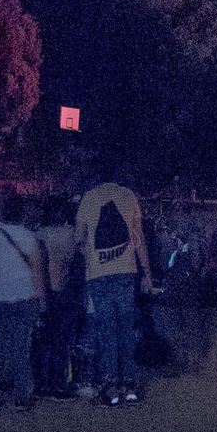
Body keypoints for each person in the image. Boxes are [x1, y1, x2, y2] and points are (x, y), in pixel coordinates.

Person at [76, 173, 151, 405]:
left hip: (98, 275)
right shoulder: (128, 196)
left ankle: (110, 386)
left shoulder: (89, 198)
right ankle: (129, 384)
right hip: (126, 271)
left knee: (106, 328)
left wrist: (87, 251)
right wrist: (146, 272)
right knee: (126, 329)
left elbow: (79, 237)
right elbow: (138, 237)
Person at [0, 190, 44, 411]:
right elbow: (37, 271)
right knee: (20, 348)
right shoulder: (30, 237)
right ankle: (22, 395)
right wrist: (41, 299)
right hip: (23, 297)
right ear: (23, 214)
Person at [35, 195, 81, 396]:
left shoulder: (39, 234)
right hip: (63, 289)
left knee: (41, 340)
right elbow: (73, 258)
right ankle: (58, 383)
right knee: (61, 340)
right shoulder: (70, 234)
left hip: (42, 291)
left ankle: (39, 383)